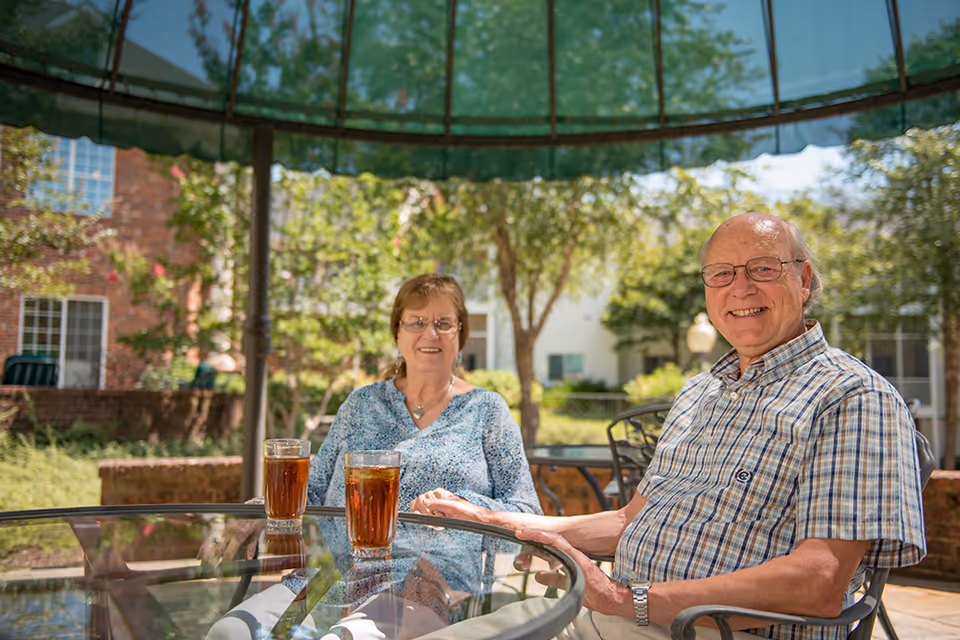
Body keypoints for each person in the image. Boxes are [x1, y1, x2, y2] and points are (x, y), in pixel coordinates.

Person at [412, 213, 926, 640]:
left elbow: (819, 582)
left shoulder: (851, 396)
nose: (739, 287)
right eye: (721, 273)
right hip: (612, 619)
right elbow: (628, 521)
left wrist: (621, 597)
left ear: (804, 279)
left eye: (763, 268)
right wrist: (493, 520)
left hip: (712, 631)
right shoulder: (700, 392)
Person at [205, 272, 541, 640]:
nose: (430, 333)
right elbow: (313, 486)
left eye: (443, 323)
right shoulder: (361, 404)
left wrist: (462, 506)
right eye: (416, 322)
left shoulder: (487, 411)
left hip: (426, 586)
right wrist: (256, 514)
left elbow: (527, 515)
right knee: (229, 632)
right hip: (330, 576)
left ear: (461, 334)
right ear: (397, 334)